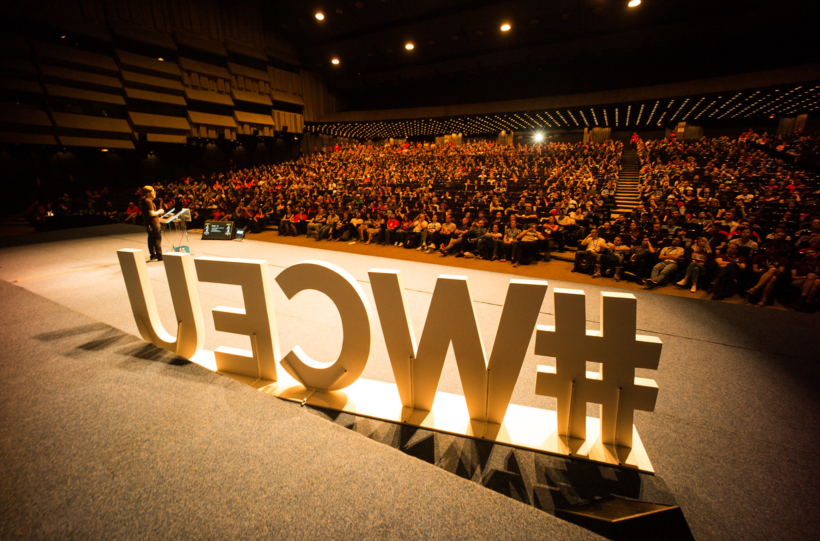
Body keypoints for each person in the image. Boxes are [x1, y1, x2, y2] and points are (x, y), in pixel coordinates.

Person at [139, 186, 164, 261]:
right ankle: (160, 256)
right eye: (153, 191)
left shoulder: (143, 200)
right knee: (157, 239)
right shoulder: (148, 201)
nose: (154, 193)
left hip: (148, 223)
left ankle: (153, 255)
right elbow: (151, 213)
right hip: (153, 222)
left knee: (151, 238)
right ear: (148, 193)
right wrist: (160, 211)